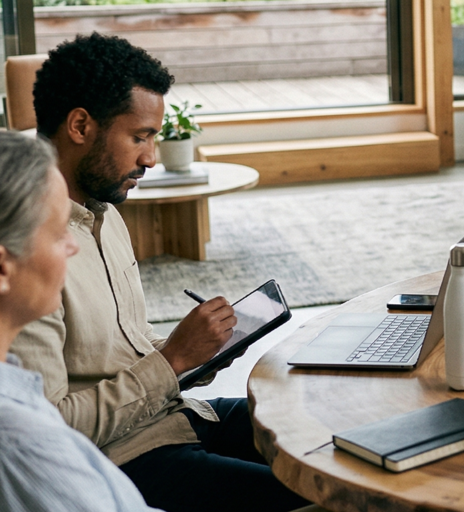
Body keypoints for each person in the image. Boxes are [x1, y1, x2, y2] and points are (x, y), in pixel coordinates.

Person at [9, 33, 310, 512]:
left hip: (178, 415)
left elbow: (127, 345)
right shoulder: (28, 260)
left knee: (319, 430)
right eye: (140, 137)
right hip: (126, 457)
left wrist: (199, 353)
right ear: (80, 126)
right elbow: (49, 429)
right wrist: (172, 361)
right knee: (316, 495)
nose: (151, 157)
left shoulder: (106, 214)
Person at [0, 132, 160, 511]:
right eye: (59, 234)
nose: (74, 246)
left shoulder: (17, 384)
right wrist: (172, 365)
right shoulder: (23, 439)